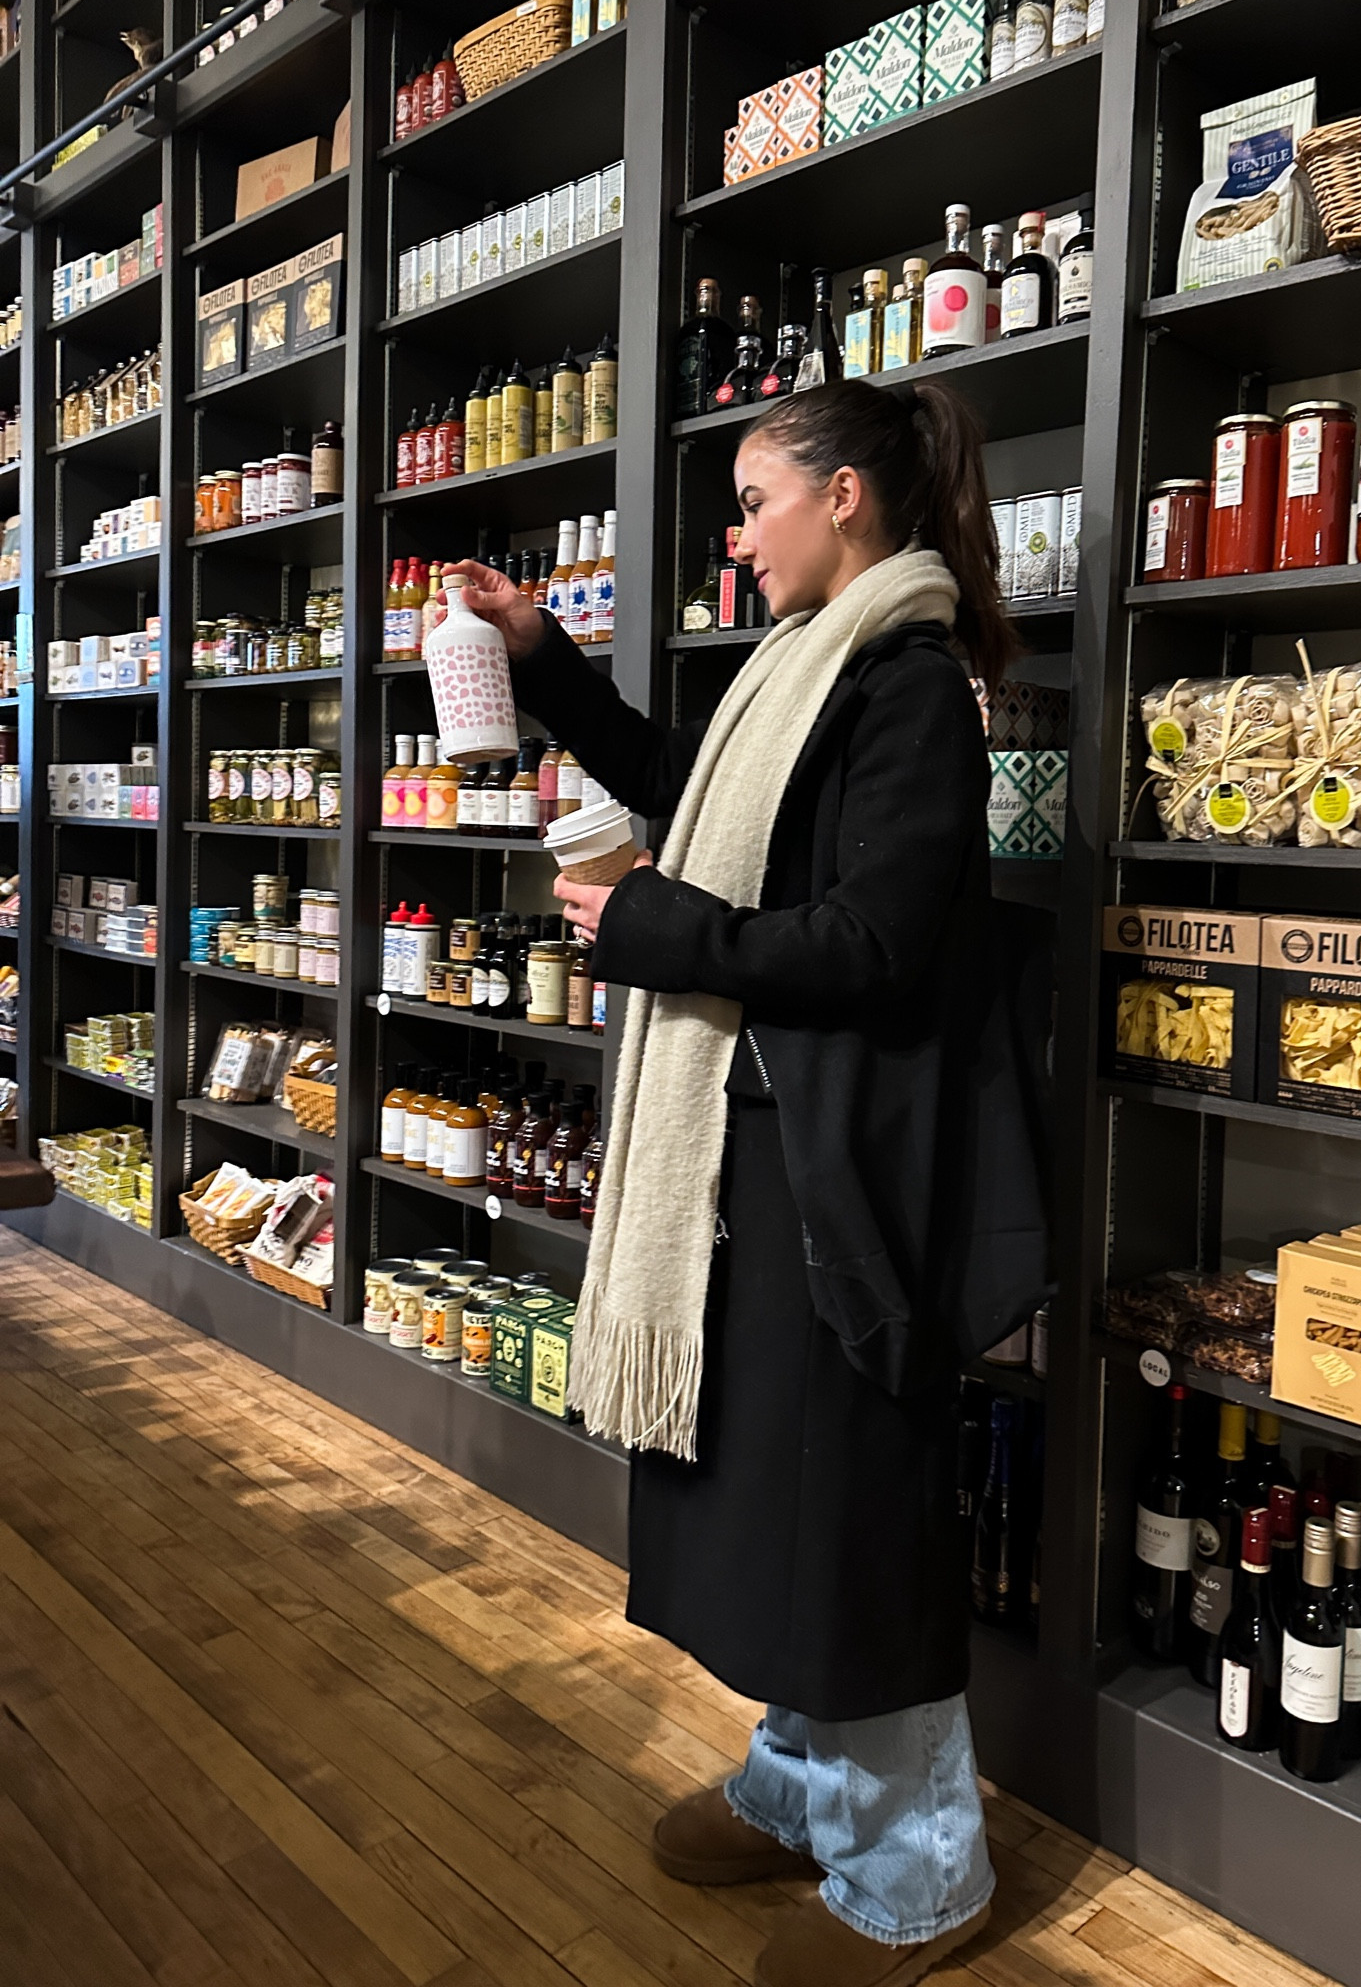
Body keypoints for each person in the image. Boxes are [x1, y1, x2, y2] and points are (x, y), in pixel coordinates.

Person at [432, 377, 1048, 1987]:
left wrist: (652, 927)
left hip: (840, 1174)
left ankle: (920, 1874)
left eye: (757, 501)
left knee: (849, 1516)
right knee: (784, 1504)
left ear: (845, 497)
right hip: (757, 1149)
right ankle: (799, 1791)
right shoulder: (799, 666)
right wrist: (541, 654)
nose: (740, 536)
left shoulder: (911, 689)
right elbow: (675, 771)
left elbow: (870, 945)